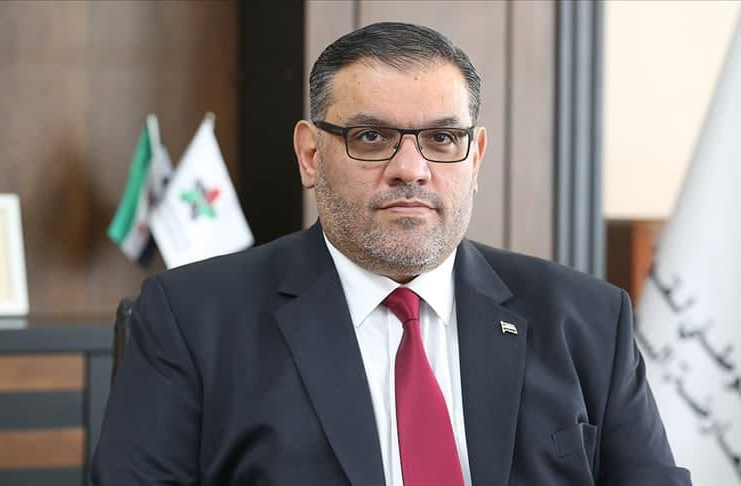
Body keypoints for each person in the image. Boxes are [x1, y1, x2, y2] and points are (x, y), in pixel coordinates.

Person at [92, 22, 691, 486]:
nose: (411, 169)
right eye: (371, 137)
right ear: (310, 155)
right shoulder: (193, 321)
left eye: (442, 138)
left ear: (475, 157)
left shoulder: (588, 320)